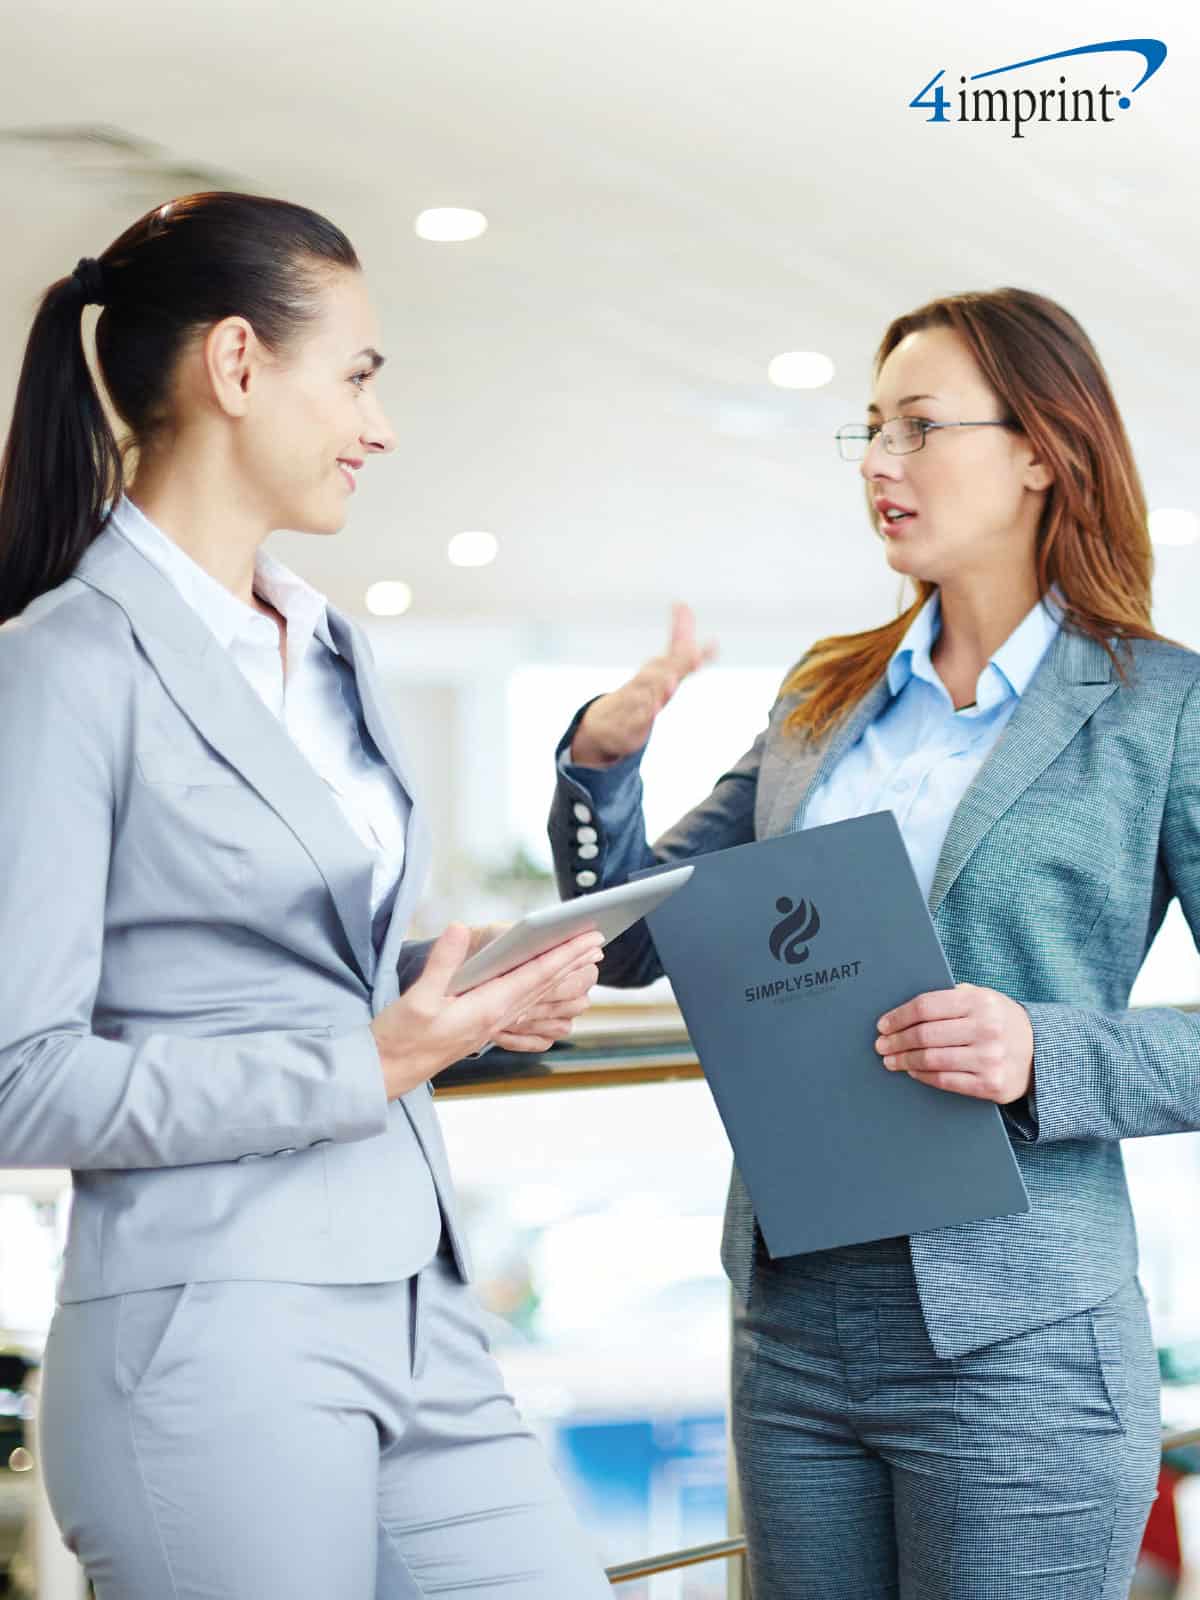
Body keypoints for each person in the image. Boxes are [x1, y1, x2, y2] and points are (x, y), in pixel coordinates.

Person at [0, 191, 613, 1599]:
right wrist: (379, 1055)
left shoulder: (332, 647)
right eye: (357, 377)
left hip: (418, 1308)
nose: (377, 425)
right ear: (235, 367)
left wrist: (463, 995)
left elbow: (299, 952)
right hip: (209, 1334)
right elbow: (19, 1080)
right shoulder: (64, 668)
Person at [547, 287, 1199, 1597]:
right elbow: (634, 942)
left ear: (1038, 449)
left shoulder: (1159, 707)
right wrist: (598, 769)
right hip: (793, 1321)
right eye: (869, 432)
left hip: (1023, 1333)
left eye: (917, 427)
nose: (880, 466)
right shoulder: (823, 693)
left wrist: (1042, 1051)